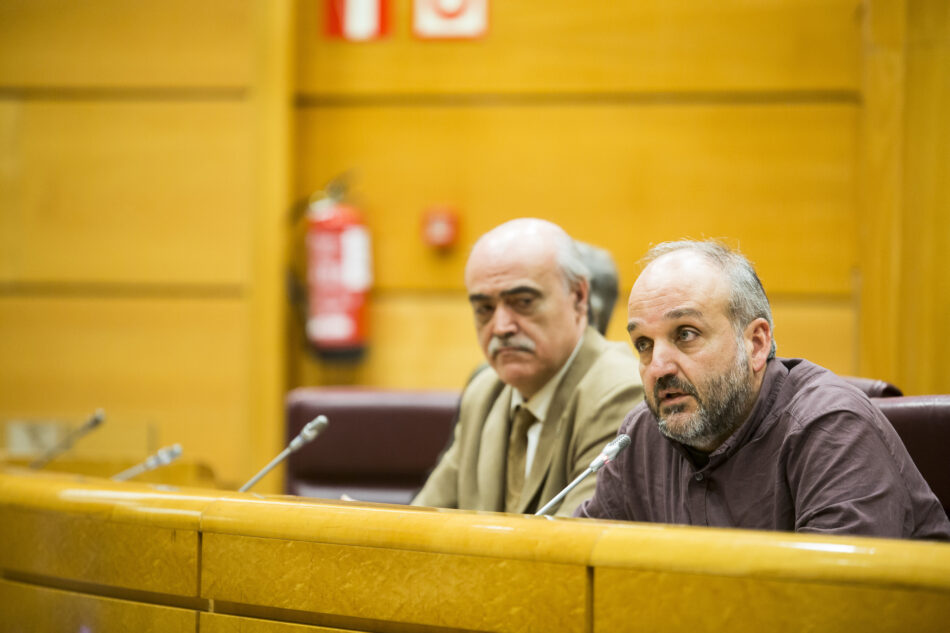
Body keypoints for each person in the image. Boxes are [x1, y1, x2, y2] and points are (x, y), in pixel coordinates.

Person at [575, 240, 950, 540]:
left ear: (755, 343)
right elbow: (579, 571)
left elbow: (835, 607)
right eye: (643, 344)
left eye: (685, 334)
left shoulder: (833, 429)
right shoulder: (640, 436)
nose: (658, 366)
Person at [412, 219, 643, 516]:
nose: (501, 327)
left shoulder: (619, 394)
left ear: (579, 297)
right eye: (484, 309)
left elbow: (568, 548)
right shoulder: (485, 393)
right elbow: (419, 525)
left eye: (523, 301)